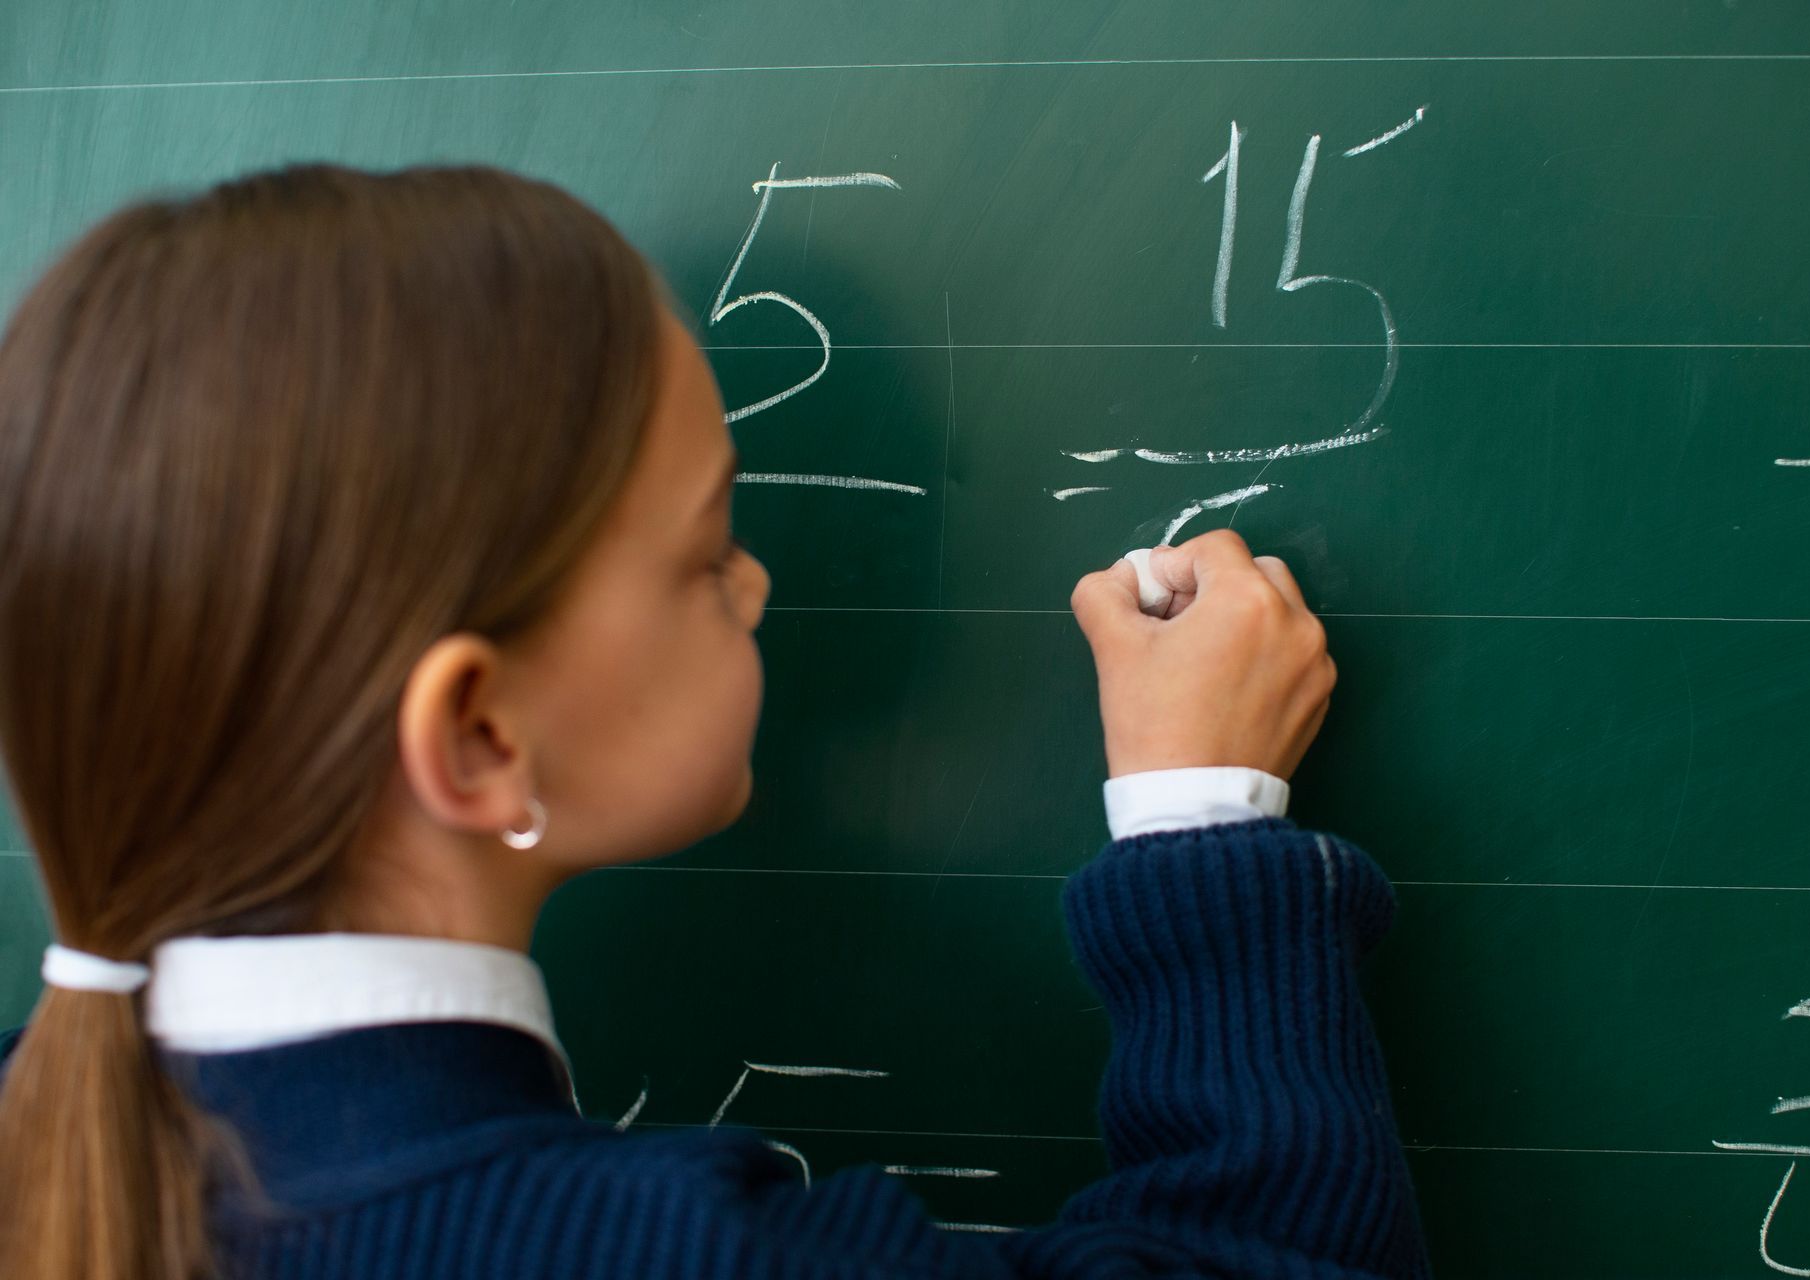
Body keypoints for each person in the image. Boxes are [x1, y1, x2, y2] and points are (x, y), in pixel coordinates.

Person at [0, 162, 1430, 1279]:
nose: (756, 583)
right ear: (481, 738)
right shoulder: (660, 1254)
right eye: (702, 554)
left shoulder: (57, 1150)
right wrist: (1204, 826)